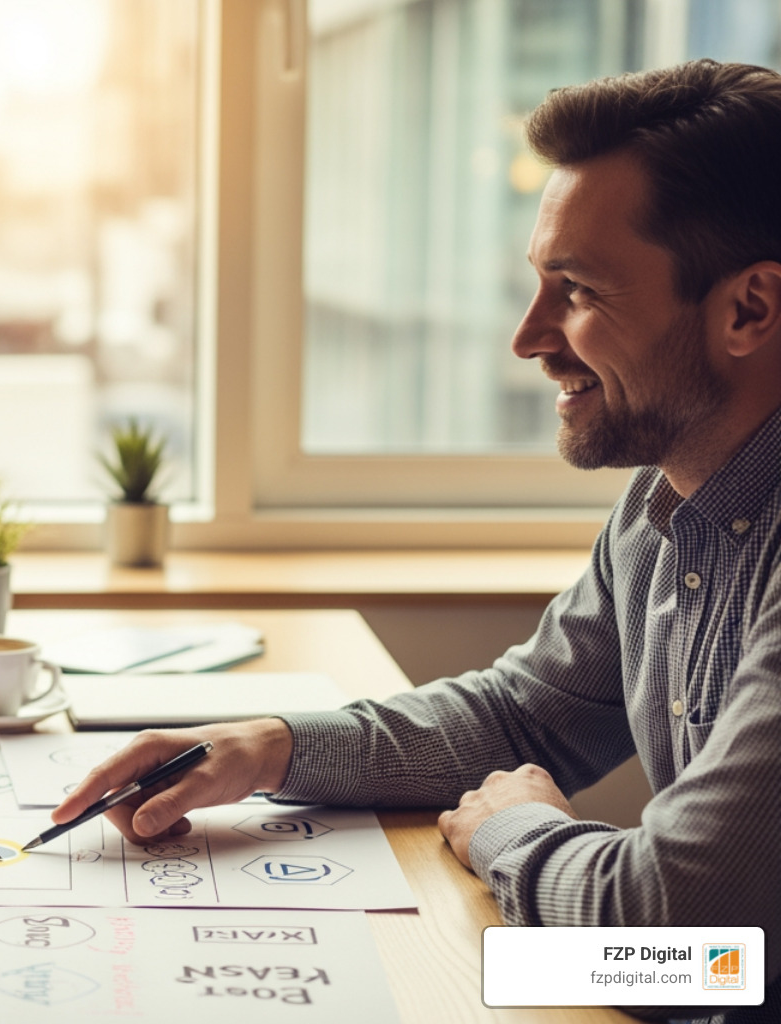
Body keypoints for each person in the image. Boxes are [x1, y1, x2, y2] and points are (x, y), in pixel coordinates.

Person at [56, 59, 779, 1023]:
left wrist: (509, 830)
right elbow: (526, 718)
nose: (527, 338)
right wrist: (267, 749)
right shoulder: (670, 498)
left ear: (749, 310)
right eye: (537, 286)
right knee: (424, 964)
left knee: (437, 969)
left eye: (579, 292)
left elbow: (682, 933)